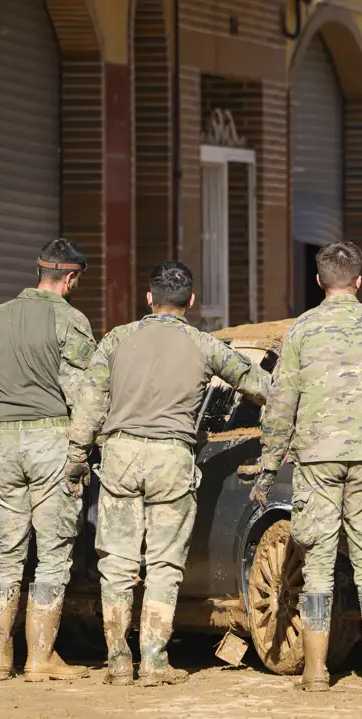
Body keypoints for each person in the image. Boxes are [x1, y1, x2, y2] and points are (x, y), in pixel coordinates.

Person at [66, 261, 270, 687]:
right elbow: (259, 385)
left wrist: (76, 456)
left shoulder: (117, 340)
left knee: (117, 564)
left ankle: (119, 661)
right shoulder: (204, 345)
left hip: (120, 456)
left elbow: (89, 403)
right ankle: (155, 662)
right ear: (191, 302)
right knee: (163, 564)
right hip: (172, 460)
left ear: (149, 298)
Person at [250, 241, 362, 692]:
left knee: (318, 563)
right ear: (359, 281)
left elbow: (281, 402)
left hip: (316, 458)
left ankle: (315, 671)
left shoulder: (302, 329)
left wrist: (269, 465)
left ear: (319, 280)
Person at [0, 239, 95, 682]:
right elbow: (83, 395)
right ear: (71, 277)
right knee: (53, 552)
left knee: (9, 554)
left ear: (39, 270)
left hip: (2, 441)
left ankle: (1, 660)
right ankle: (40, 658)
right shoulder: (70, 321)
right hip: (51, 440)